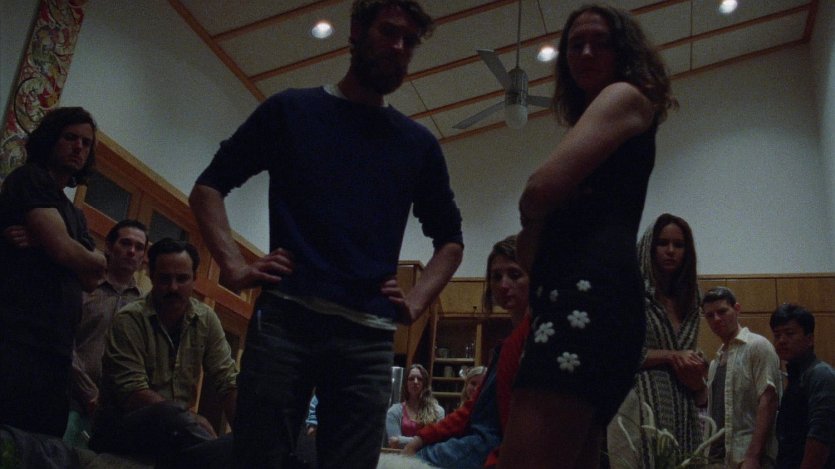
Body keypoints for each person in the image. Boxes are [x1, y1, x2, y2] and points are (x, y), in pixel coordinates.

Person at [188, 0, 464, 467]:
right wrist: (233, 266)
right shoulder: (291, 110)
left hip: (368, 339)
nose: (399, 47)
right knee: (257, 457)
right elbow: (208, 188)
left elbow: (450, 241)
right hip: (285, 321)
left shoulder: (418, 145)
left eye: (410, 41)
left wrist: (417, 303)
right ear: (356, 30)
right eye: (389, 32)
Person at [499, 5, 677, 468]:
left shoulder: (624, 95)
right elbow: (530, 249)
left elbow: (538, 191)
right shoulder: (611, 123)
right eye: (575, 45)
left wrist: (534, 212)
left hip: (586, 299)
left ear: (624, 52)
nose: (585, 52)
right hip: (592, 302)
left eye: (600, 42)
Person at [0, 107, 107, 437]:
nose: (79, 147)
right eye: (70, 138)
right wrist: (66, 249)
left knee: (43, 447)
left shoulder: (74, 214)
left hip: (57, 352)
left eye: (86, 143)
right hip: (17, 341)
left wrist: (47, 242)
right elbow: (63, 250)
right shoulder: (30, 178)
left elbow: (95, 275)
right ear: (51, 139)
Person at [90, 238, 238, 466]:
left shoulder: (206, 319)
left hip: (177, 434)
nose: (173, 288)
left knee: (237, 443)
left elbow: (227, 380)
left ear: (194, 279)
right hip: (123, 430)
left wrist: (247, 438)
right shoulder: (129, 320)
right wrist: (192, 419)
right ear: (151, 276)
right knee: (170, 414)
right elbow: (133, 394)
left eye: (182, 279)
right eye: (165, 279)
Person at [403, 235, 532, 468]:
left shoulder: (532, 337)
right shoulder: (507, 345)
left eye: (514, 274)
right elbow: (471, 410)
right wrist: (421, 438)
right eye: (496, 277)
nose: (503, 285)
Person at [608, 213, 707, 467]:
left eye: (679, 245)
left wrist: (696, 374)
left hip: (683, 405)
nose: (671, 251)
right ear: (649, 247)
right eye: (663, 243)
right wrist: (672, 356)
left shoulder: (691, 296)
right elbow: (616, 354)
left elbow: (689, 351)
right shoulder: (629, 292)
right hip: (639, 402)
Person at [63, 219, 148, 448]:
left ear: (143, 257)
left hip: (114, 415)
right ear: (109, 247)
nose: (132, 251)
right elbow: (64, 339)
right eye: (125, 243)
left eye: (139, 247)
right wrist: (88, 391)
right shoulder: (84, 288)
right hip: (68, 400)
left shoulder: (145, 307)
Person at [703, 286, 781, 468]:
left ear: (737, 309)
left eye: (722, 311)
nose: (716, 319)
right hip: (717, 459)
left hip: (748, 458)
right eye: (710, 315)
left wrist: (753, 456)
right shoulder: (715, 362)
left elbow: (769, 400)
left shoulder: (757, 346)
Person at [770, 304, 835, 468]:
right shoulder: (796, 376)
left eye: (790, 333)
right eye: (777, 335)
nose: (782, 340)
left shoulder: (820, 374)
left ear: (810, 339)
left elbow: (820, 437)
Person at [386, 364, 445, 449]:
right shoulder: (394, 411)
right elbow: (393, 443)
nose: (415, 382)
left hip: (427, 457)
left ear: (425, 383)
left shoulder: (438, 411)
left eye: (420, 379)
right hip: (400, 457)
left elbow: (436, 443)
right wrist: (425, 440)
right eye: (411, 379)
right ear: (406, 383)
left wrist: (401, 440)